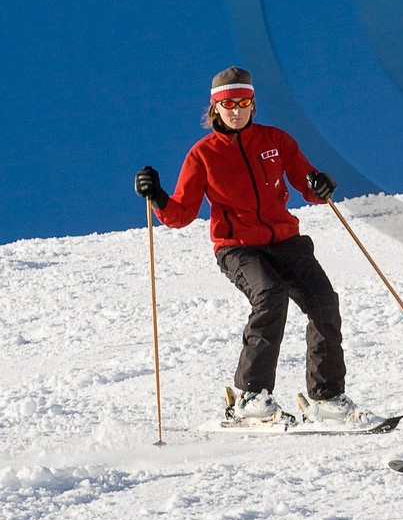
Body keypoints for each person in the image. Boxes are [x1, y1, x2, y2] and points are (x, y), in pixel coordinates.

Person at [135, 66, 379, 424]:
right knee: (270, 295)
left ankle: (327, 397)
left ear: (252, 104)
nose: (236, 111)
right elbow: (181, 214)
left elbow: (307, 183)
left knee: (324, 301)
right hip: (237, 247)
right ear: (215, 108)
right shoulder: (202, 155)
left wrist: (321, 185)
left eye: (243, 103)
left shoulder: (275, 141)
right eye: (228, 104)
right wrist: (157, 196)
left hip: (286, 240)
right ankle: (251, 396)